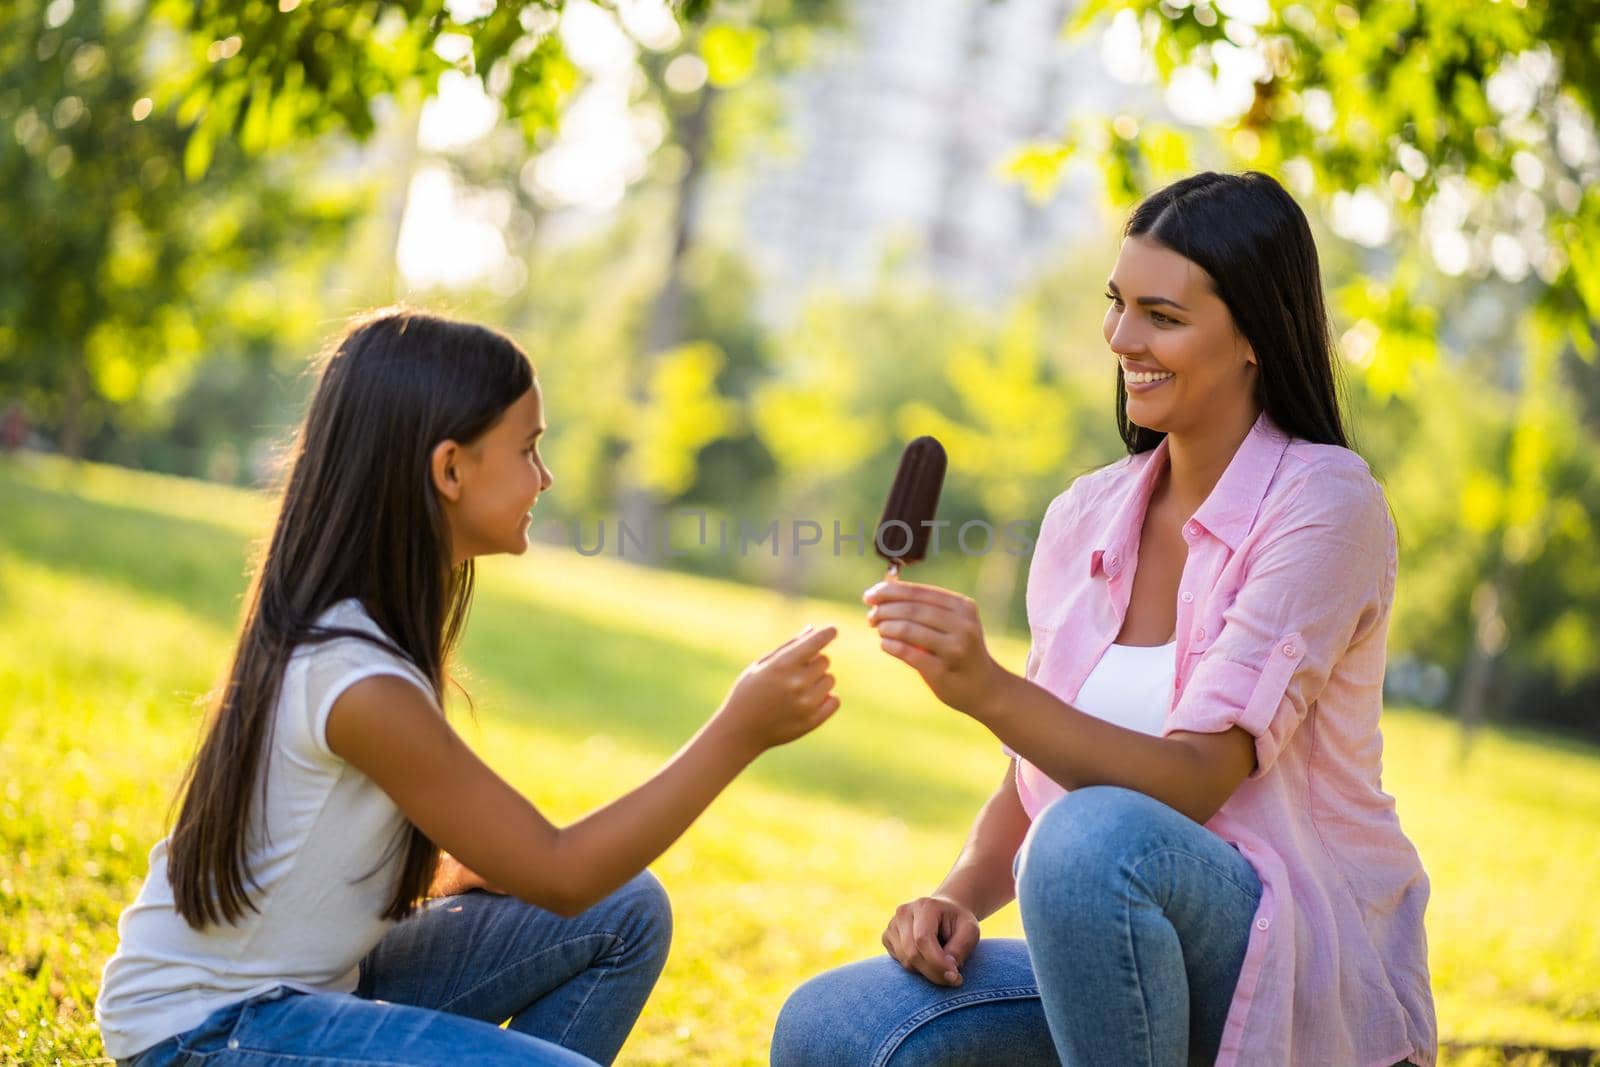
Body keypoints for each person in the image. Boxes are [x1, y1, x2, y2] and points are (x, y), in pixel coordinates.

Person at [771, 172, 1435, 1067]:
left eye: (1162, 315)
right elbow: (1039, 769)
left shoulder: (1325, 504)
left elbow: (1196, 777)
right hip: (1109, 948)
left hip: (1285, 963)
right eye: (1118, 304)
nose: (1122, 338)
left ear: (1253, 335)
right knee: (832, 1027)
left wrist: (989, 690)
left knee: (1087, 839)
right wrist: (960, 892)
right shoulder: (1086, 515)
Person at [96, 308, 841, 1067]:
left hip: (313, 990)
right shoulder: (356, 676)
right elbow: (559, 872)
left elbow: (346, 855)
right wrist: (738, 730)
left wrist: (482, 862)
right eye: (529, 449)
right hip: (205, 1031)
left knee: (628, 910)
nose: (544, 477)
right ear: (449, 468)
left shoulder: (367, 634)